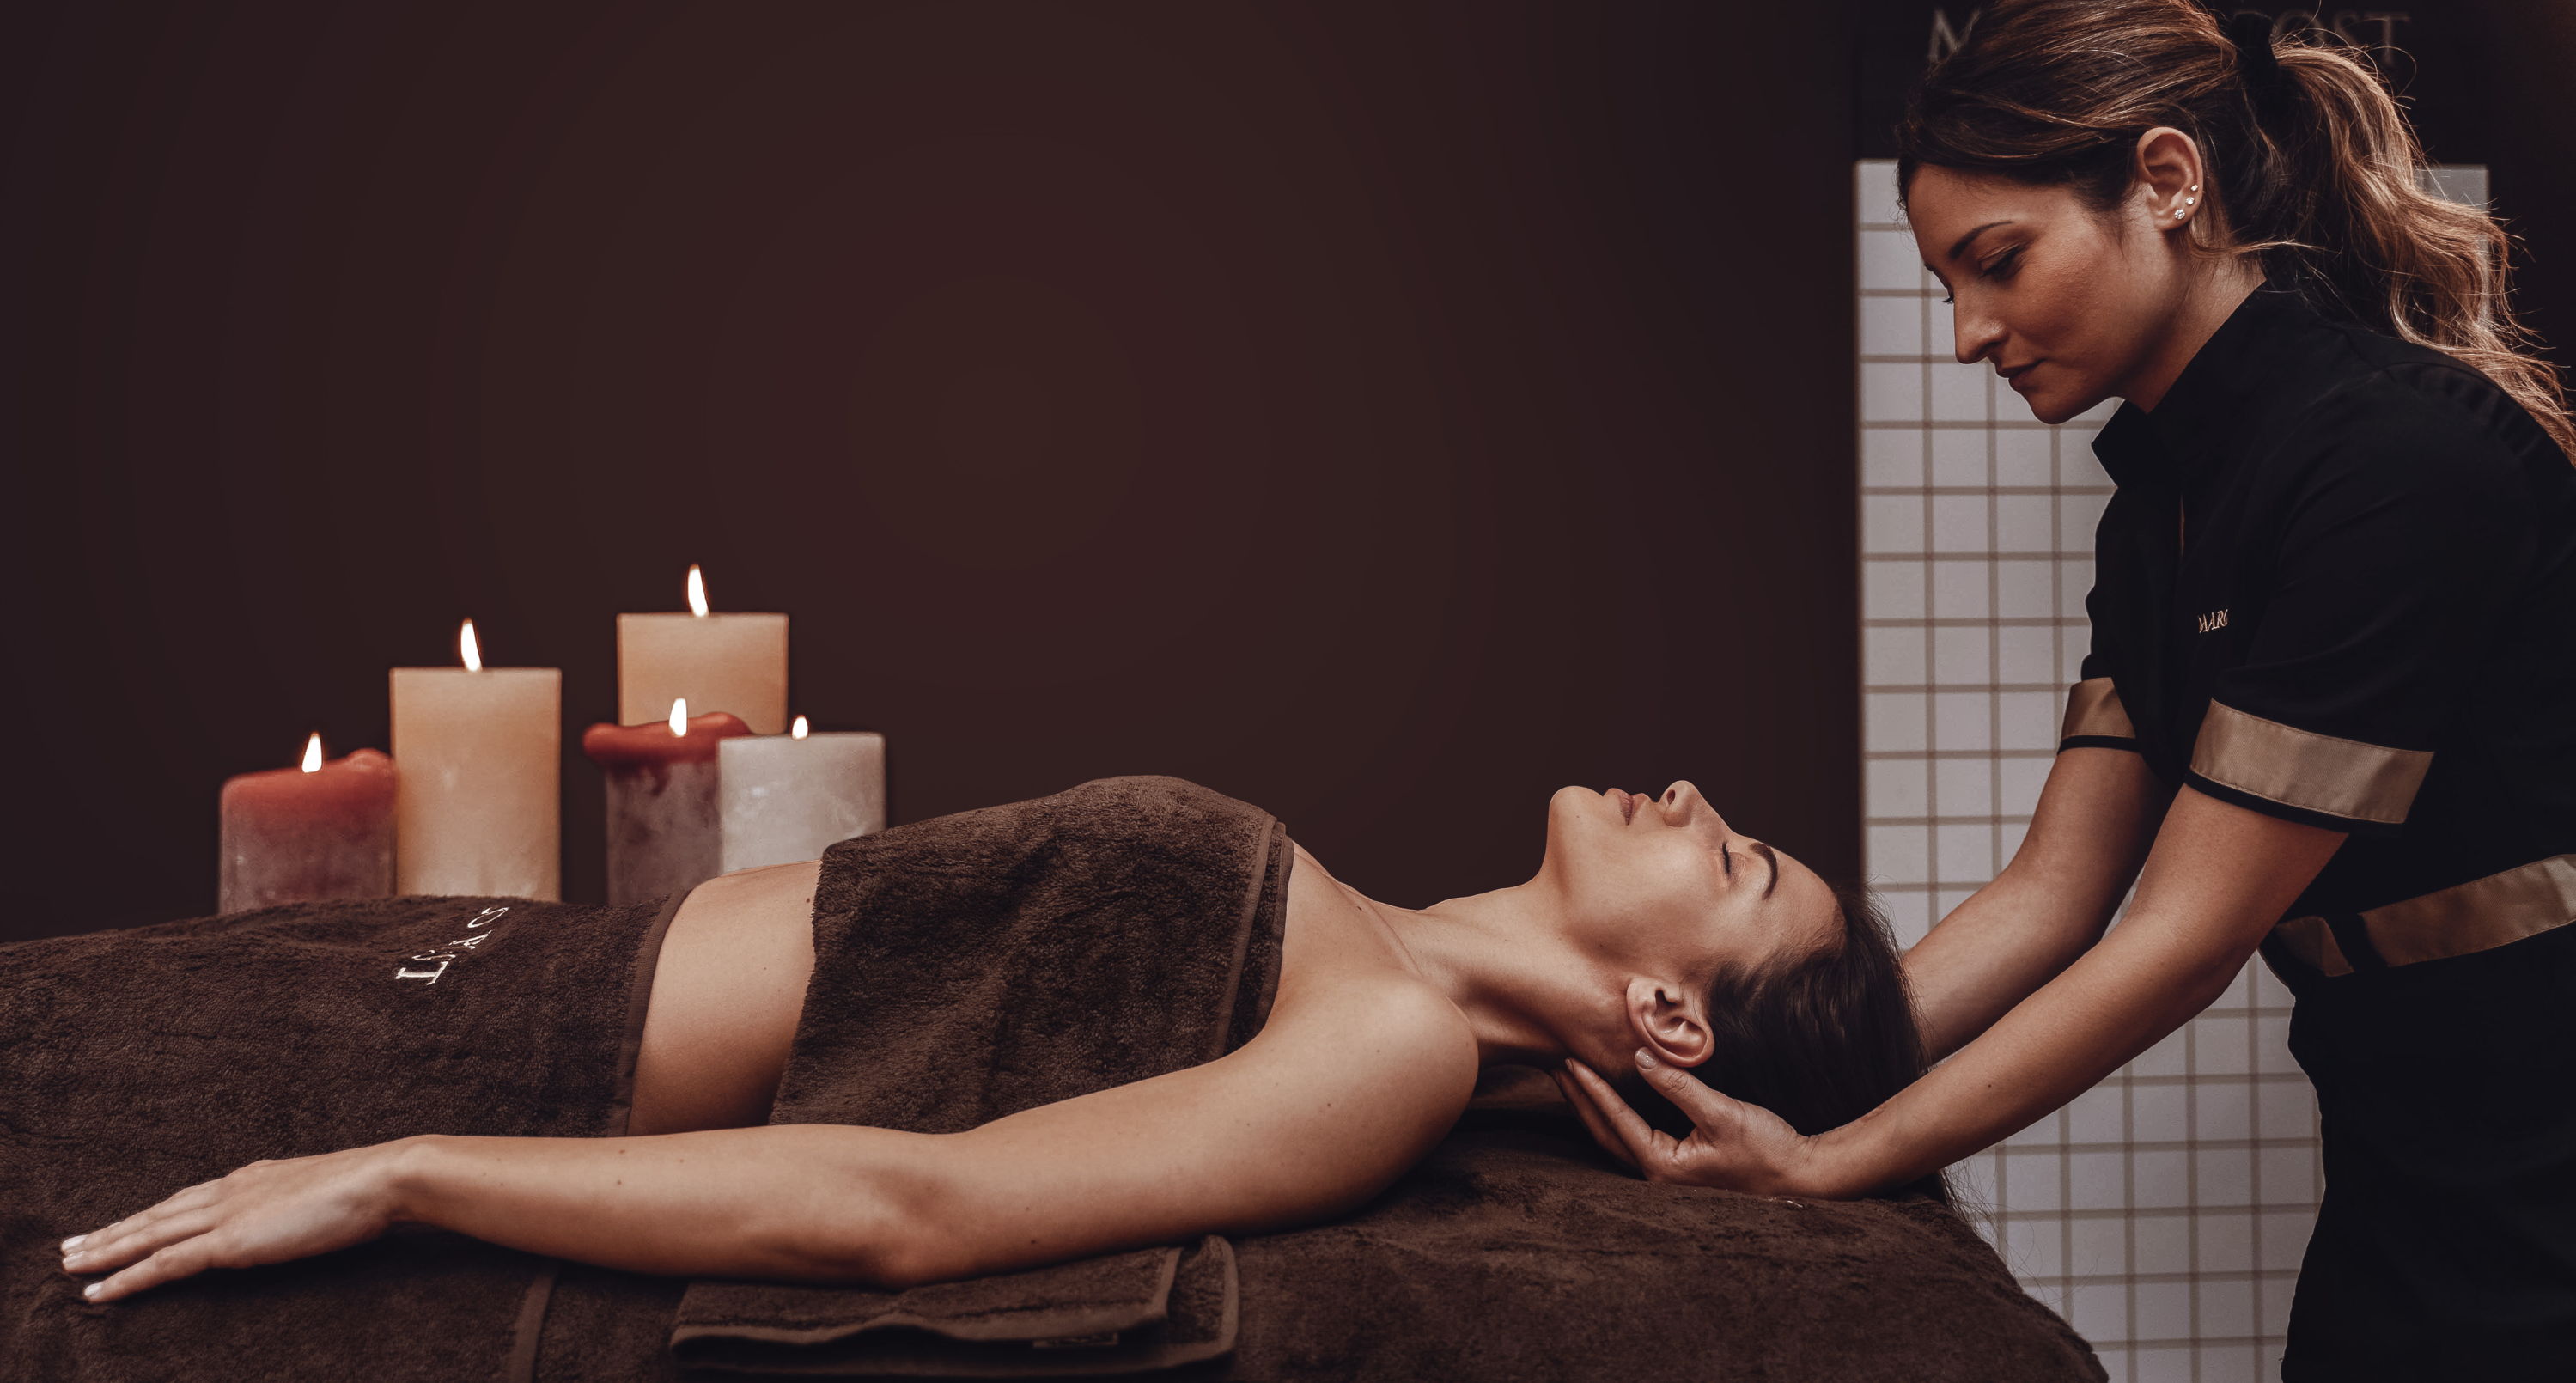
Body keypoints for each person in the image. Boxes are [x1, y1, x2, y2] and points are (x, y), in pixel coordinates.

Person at [1556, 3, 2576, 1378]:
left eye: (1999, 262)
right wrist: (1738, 1084)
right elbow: (2053, 892)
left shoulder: (2393, 463)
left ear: (2168, 180)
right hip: (2402, 1141)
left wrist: (1831, 1161)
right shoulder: (2155, 513)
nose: (1970, 332)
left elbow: (2182, 937)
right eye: (1948, 287)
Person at [54, 777, 1935, 1304]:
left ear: (1670, 1014)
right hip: (443, 966)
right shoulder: (1378, 938)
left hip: (471, 1066)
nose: (1695, 798)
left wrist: (405, 1173)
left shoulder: (1396, 1043)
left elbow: (920, 1210)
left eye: (1737, 863)